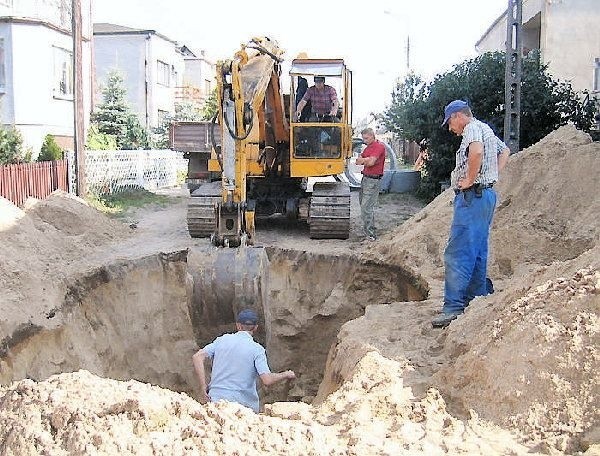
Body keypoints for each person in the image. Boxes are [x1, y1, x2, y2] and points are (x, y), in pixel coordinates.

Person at [432, 100, 510, 328]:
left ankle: (453, 307)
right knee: (477, 252)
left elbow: (475, 151)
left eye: (450, 122)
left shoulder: (472, 129)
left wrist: (470, 179)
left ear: (458, 116)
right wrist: (492, 173)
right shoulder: (486, 129)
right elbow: (504, 151)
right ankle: (477, 299)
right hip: (485, 196)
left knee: (457, 253)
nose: (450, 128)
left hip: (472, 197)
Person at [192, 308, 296, 412]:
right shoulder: (257, 349)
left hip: (217, 402)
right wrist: (286, 374)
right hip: (243, 407)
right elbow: (267, 380)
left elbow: (197, 357)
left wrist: (203, 387)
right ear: (255, 327)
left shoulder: (222, 340)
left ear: (238, 325)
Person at [356, 127, 387, 241]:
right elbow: (358, 161)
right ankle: (369, 231)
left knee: (366, 207)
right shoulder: (368, 148)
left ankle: (371, 234)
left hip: (373, 180)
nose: (365, 140)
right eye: (363, 138)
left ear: (373, 136)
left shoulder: (379, 147)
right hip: (365, 178)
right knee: (363, 206)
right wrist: (366, 160)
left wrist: (365, 160)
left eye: (367, 138)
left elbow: (371, 162)